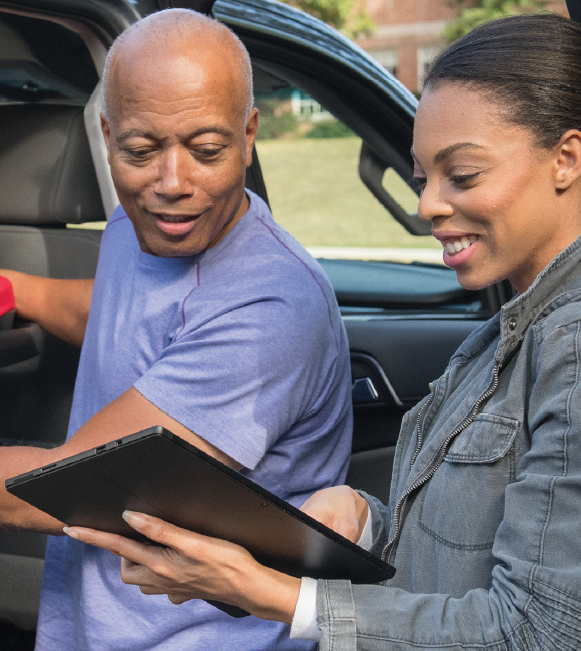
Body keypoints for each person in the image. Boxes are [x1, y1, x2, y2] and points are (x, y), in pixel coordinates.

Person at [65, 11, 581, 651]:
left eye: (463, 176)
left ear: (566, 159)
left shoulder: (570, 348)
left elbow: (540, 631)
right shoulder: (507, 334)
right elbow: (462, 564)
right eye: (422, 179)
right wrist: (368, 525)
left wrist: (268, 593)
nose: (427, 206)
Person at [0, 8, 353, 651]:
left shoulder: (271, 306)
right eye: (140, 151)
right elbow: (125, 316)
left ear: (250, 136)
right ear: (107, 137)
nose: (171, 183)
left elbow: (72, 486)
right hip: (95, 621)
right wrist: (16, 289)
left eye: (206, 150)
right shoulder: (140, 223)